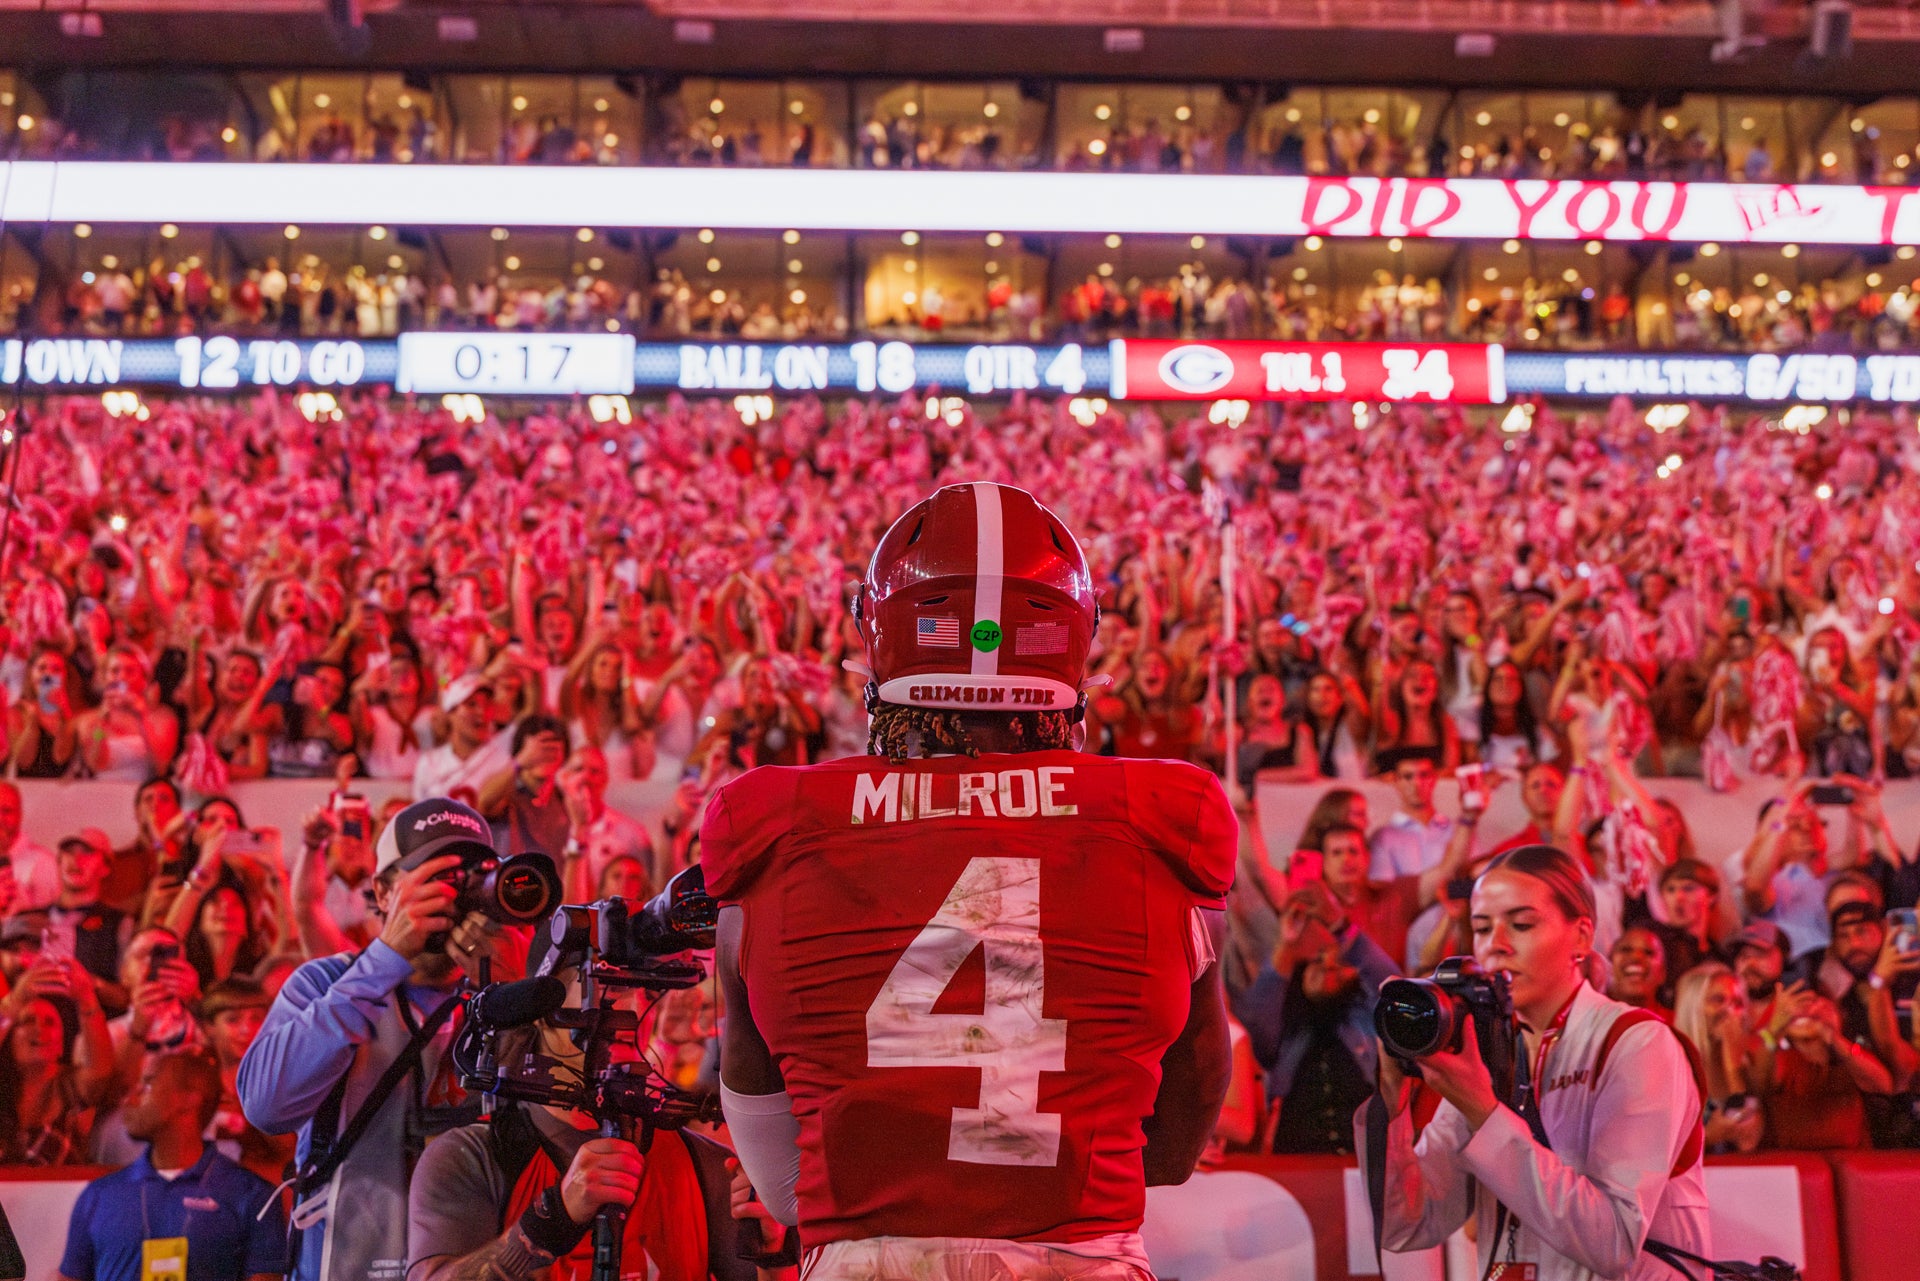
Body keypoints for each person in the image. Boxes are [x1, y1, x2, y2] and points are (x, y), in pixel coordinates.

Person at [708, 483, 1234, 1280]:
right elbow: (1173, 1146)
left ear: (881, 634)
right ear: (1073, 641)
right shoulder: (1164, 820)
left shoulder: (771, 829)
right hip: (1081, 1257)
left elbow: (783, 1189)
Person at [1359, 844, 1710, 1281]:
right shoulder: (1486, 1053)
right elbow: (1406, 1224)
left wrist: (1484, 1113)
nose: (1497, 946)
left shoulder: (1638, 1042)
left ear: (1582, 937)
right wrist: (1391, 1105)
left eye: (1521, 924)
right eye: (1482, 928)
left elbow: (1614, 1242)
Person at [236, 797, 520, 1281]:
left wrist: (516, 1003)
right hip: (346, 1263)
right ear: (384, 892)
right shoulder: (326, 982)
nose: (457, 896)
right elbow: (266, 1107)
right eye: (439, 876)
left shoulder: (510, 992)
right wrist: (383, 960)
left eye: (475, 878)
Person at [404, 940, 765, 1281]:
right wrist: (551, 1220)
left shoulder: (702, 1163)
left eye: (638, 987)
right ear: (541, 1014)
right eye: (601, 982)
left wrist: (775, 1255)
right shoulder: (472, 1157)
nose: (624, 1002)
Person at [57, 1051, 286, 1281]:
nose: (131, 1096)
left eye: (147, 1084)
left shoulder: (252, 1196)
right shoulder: (98, 1196)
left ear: (189, 1099)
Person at [1233, 881, 1395, 1154]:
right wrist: (1286, 947)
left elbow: (1391, 989)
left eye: (1340, 965)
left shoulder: (1367, 1022)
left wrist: (1340, 927)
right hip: (1297, 1156)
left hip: (1365, 1152)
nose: (1328, 966)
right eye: (1319, 961)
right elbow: (1255, 1024)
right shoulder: (1286, 1032)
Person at [1671, 963, 1763, 1154]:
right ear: (1693, 1007)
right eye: (1718, 1000)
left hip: (1737, 1178)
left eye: (1737, 1003)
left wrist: (1732, 1063)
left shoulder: (1751, 1065)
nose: (1730, 1011)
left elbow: (1747, 1141)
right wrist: (1709, 1137)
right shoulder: (1670, 1065)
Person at [45, 829, 135, 1013]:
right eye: (69, 852)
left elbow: (128, 997)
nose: (76, 860)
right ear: (59, 860)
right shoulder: (29, 918)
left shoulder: (118, 924)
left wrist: (90, 984)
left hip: (91, 1029)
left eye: (87, 853)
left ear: (105, 868)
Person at [413, 674, 514, 803]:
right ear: (451, 712)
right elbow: (418, 815)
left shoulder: (503, 758)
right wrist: (444, 678)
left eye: (487, 705)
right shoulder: (429, 763)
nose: (481, 712)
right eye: (471, 704)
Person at [0, 779, 59, 912]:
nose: (0, 818)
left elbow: (50, 919)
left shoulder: (43, 862)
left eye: (7, 811)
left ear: (19, 815)